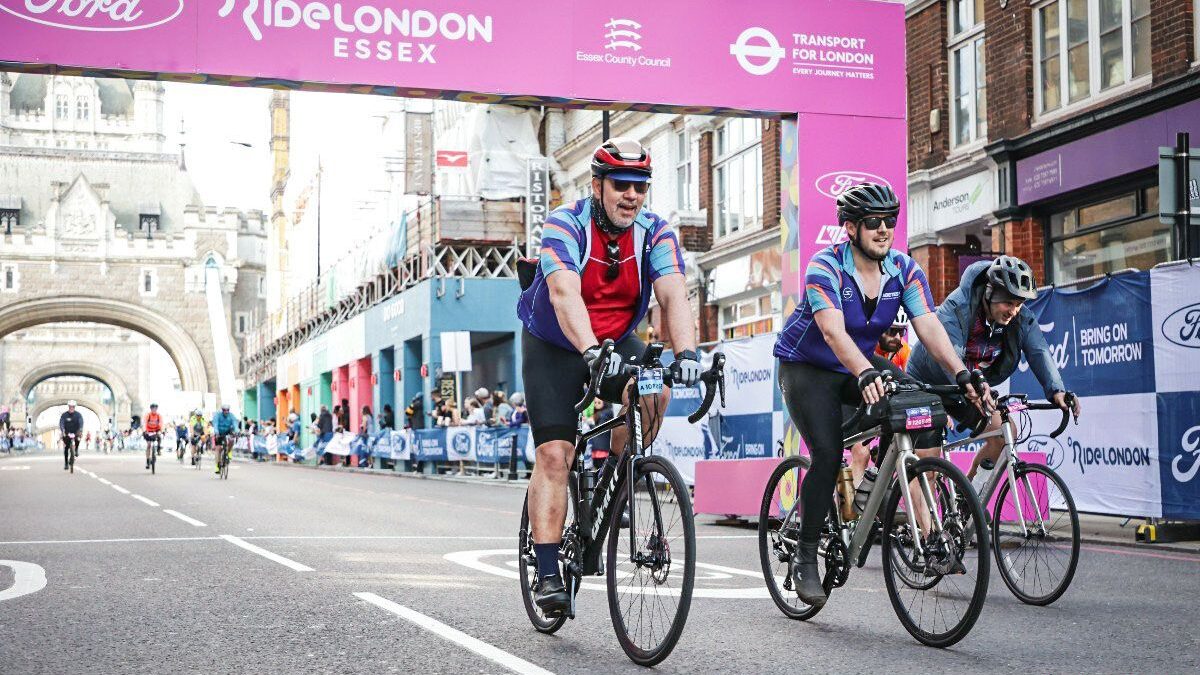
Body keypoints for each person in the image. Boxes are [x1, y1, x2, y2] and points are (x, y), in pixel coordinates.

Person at [772, 182, 988, 607]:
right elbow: (833, 332)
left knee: (920, 404)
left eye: (890, 221)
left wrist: (963, 374)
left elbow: (927, 325)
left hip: (860, 363)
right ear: (850, 228)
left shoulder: (905, 269)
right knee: (829, 453)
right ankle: (805, 558)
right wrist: (868, 370)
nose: (884, 229)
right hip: (808, 368)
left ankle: (878, 496)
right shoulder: (825, 266)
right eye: (874, 222)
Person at [515, 137, 701, 616]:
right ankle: (550, 572)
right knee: (556, 454)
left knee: (653, 392)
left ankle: (612, 483)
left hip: (615, 339)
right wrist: (592, 351)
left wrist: (688, 355)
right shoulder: (566, 223)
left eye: (641, 186)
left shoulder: (655, 232)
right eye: (622, 185)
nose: (632, 196)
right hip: (556, 344)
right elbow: (562, 293)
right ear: (597, 185)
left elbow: (674, 295)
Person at [907, 255, 1081, 485]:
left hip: (967, 387)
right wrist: (973, 385)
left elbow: (1039, 350)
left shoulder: (1019, 319)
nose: (1013, 311)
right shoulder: (958, 307)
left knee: (1005, 433)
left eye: (1019, 304)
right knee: (929, 465)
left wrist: (1057, 390)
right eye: (1008, 303)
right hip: (928, 383)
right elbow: (951, 356)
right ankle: (923, 518)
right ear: (989, 292)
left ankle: (969, 493)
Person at [589, 399, 615, 470]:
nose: (596, 403)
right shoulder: (596, 414)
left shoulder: (607, 413)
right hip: (595, 451)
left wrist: (589, 423)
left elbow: (601, 430)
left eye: (599, 402)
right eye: (595, 402)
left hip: (603, 451)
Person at [59, 400, 84, 470]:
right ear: (68, 407)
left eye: (73, 407)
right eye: (70, 407)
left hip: (75, 432)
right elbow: (61, 423)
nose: (71, 408)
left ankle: (76, 450)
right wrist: (63, 430)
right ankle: (66, 463)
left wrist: (81, 429)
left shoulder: (78, 415)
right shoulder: (64, 415)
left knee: (78, 439)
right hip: (67, 433)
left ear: (74, 407)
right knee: (66, 448)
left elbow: (81, 423)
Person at [143, 403, 163, 469]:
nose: (154, 409)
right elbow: (145, 423)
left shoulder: (158, 415)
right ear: (151, 409)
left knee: (159, 437)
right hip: (148, 431)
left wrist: (161, 430)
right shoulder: (148, 415)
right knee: (148, 445)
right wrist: (145, 430)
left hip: (156, 430)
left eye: (155, 408)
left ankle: (158, 449)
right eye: (153, 408)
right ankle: (148, 460)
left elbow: (161, 423)